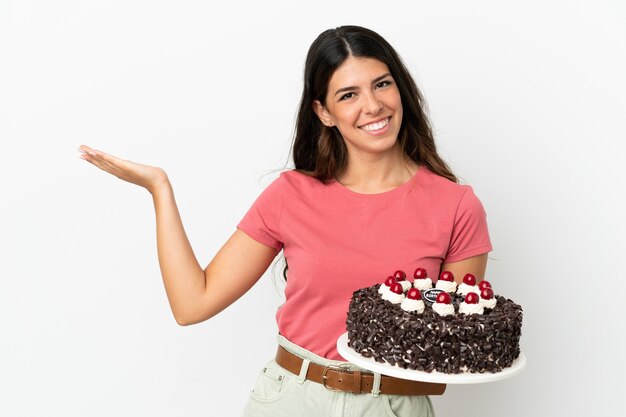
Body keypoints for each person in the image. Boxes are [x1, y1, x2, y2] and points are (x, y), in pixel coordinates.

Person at [79, 25, 492, 417]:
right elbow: (192, 303)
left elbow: (446, 346)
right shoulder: (290, 195)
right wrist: (160, 189)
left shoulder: (455, 206)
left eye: (382, 84)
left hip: (393, 405)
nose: (372, 105)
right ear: (324, 112)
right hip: (292, 399)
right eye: (348, 95)